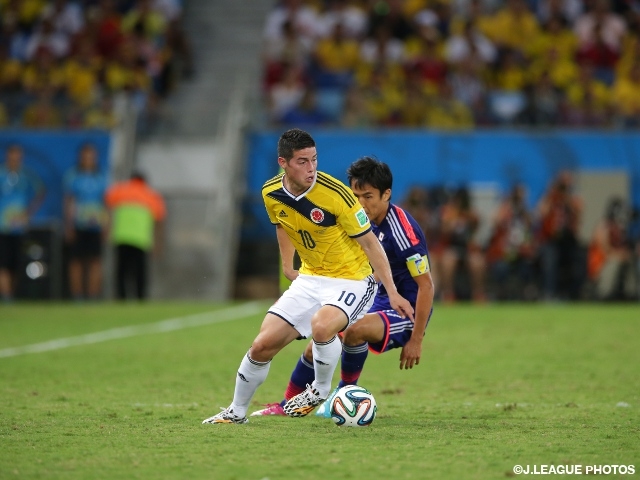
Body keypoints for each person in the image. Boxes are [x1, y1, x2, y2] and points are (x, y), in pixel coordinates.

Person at [202, 129, 414, 425]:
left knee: (322, 326)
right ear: (284, 163)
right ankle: (236, 412)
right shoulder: (270, 192)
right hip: (310, 279)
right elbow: (282, 224)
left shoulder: (337, 194)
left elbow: (370, 243)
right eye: (302, 161)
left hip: (352, 280)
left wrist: (391, 291)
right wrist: (288, 265)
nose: (311, 168)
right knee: (262, 345)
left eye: (314, 159)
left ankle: (319, 390)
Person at [250, 156, 435, 418]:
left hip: (405, 311)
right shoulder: (352, 218)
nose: (361, 203)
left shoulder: (404, 232)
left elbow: (426, 286)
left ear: (386, 194)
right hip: (372, 299)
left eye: (368, 196)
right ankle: (287, 405)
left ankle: (343, 396)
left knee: (354, 331)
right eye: (355, 195)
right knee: (319, 339)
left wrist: (416, 339)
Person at [104, 171, 166, 300]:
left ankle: (121, 298)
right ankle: (140, 298)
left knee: (122, 271)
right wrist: (157, 243)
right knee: (139, 272)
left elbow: (107, 205)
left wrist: (107, 230)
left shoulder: (120, 191)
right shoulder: (151, 195)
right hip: (140, 239)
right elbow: (159, 221)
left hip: (122, 237)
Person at [63, 143, 109, 301]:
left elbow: (106, 203)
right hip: (78, 224)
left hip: (96, 225)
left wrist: (106, 224)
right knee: (76, 261)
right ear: (80, 157)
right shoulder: (73, 176)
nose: (88, 159)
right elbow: (68, 202)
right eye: (85, 156)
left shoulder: (101, 177)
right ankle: (77, 295)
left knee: (95, 260)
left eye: (91, 156)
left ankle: (92, 294)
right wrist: (68, 225)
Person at [0, 144, 45, 302]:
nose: (14, 159)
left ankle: (10, 294)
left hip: (19, 228)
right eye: (12, 155)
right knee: (3, 262)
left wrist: (28, 213)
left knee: (16, 264)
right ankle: (6, 295)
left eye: (17, 156)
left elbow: (40, 191)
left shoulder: (26, 174)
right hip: (2, 227)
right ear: (7, 156)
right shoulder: (1, 173)